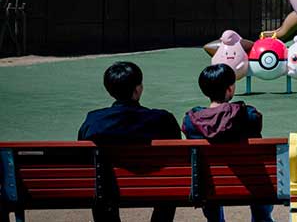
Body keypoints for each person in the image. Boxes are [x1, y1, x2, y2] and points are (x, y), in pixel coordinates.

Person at [78, 61, 181, 222]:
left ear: (109, 90)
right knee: (170, 182)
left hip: (108, 190)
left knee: (99, 185)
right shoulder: (163, 119)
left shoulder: (94, 122)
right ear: (138, 89)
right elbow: (177, 153)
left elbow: (83, 154)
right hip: (158, 186)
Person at [182, 64, 273, 222]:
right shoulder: (248, 115)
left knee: (206, 179)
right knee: (259, 179)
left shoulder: (191, 121)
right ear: (230, 89)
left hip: (209, 187)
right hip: (251, 182)